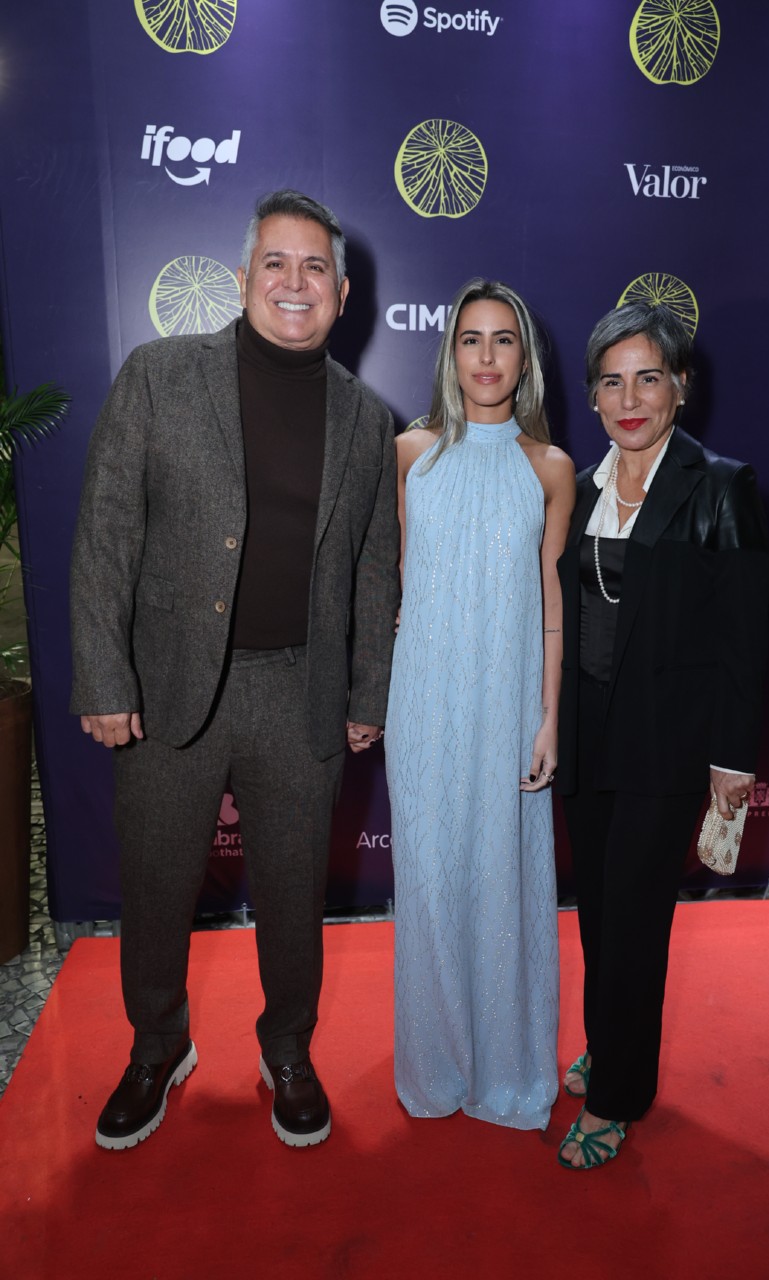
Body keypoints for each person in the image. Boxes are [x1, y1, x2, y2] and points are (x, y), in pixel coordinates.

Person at [69, 189, 399, 1151]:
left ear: (340, 293)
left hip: (302, 695)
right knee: (158, 883)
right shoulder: (160, 376)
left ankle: (286, 1050)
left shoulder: (366, 420)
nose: (293, 284)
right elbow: (104, 541)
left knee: (295, 895)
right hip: (171, 687)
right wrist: (104, 681)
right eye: (276, 264)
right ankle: (156, 1047)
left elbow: (376, 570)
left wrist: (366, 692)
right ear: (246, 275)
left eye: (313, 270)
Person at [555, 302, 769, 1168]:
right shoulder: (581, 486)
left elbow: (742, 640)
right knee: (598, 918)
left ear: (680, 388)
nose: (629, 397)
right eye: (611, 380)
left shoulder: (720, 485)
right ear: (593, 396)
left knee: (637, 921)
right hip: (588, 737)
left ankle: (616, 1098)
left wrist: (730, 761)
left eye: (648, 377)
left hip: (667, 747)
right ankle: (610, 1045)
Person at [385, 279, 575, 1130]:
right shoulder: (410, 452)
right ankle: (434, 1065)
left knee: (501, 887)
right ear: (449, 351)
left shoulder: (550, 468)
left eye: (504, 340)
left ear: (524, 359)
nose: (487, 357)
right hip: (422, 703)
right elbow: (397, 582)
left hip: (506, 707)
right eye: (471, 339)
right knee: (427, 886)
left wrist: (547, 719)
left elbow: (550, 605)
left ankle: (504, 1067)